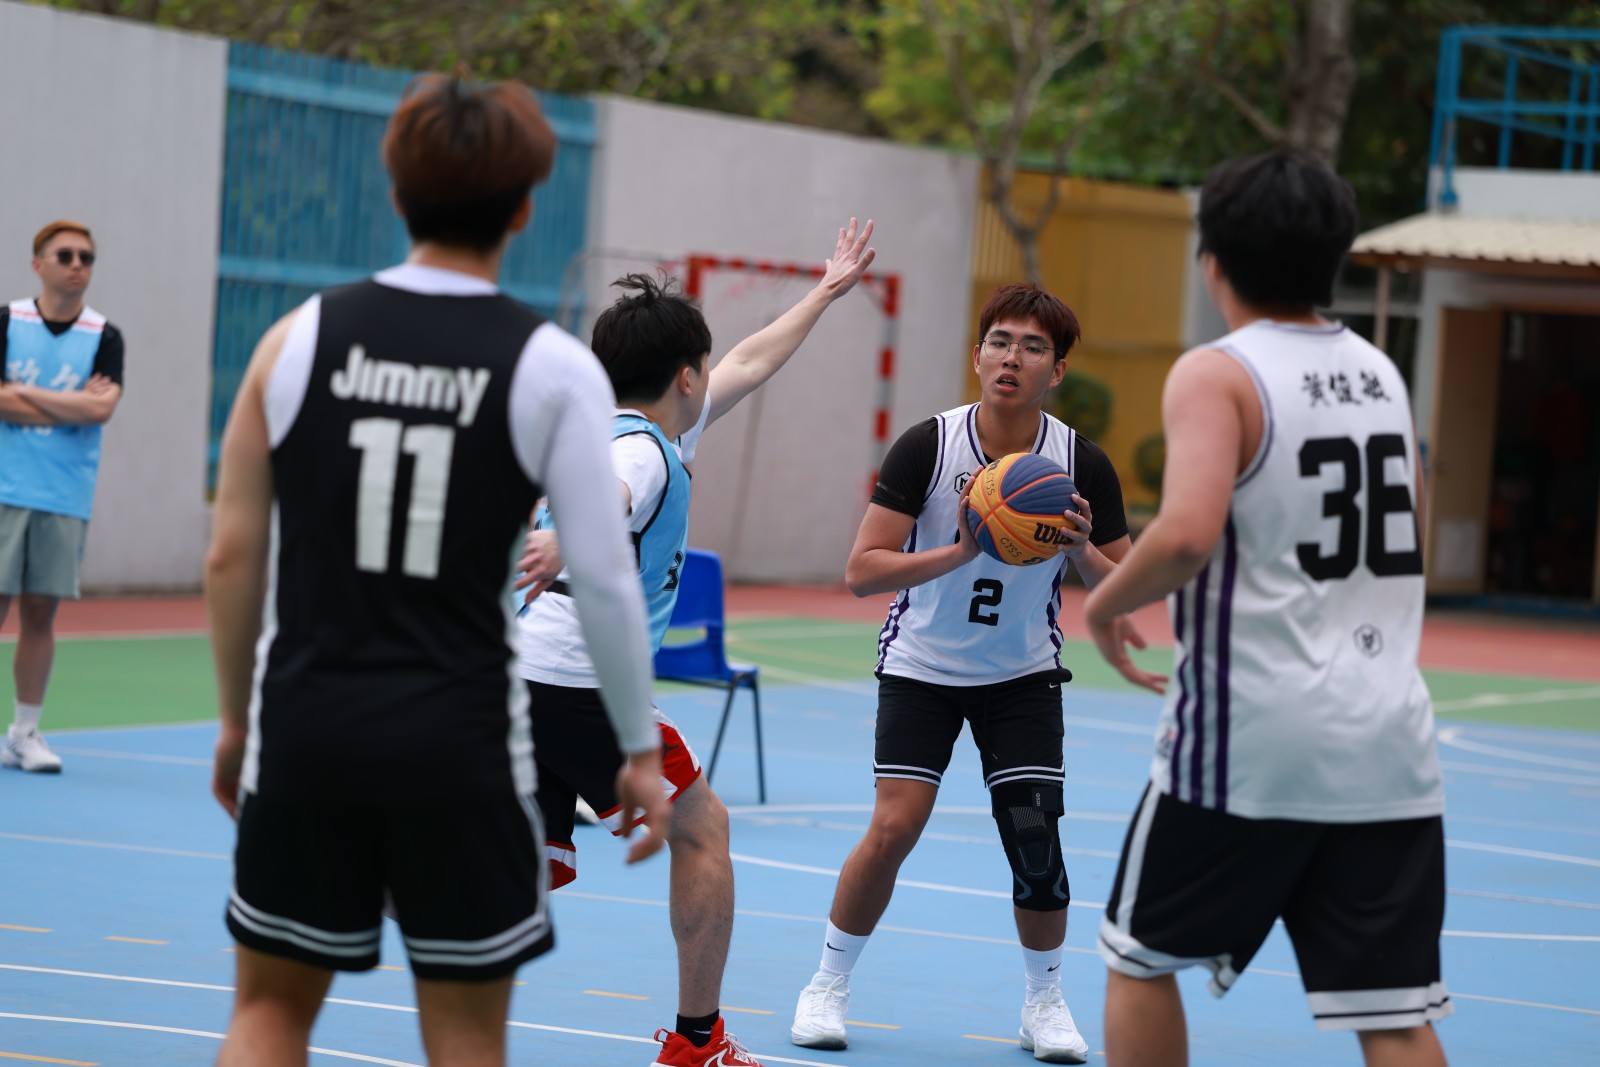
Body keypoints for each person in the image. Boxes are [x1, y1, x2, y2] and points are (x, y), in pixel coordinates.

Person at [204, 73, 671, 1067]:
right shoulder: (553, 367)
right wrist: (636, 744)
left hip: (310, 725)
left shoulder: (297, 339)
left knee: (269, 1013)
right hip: (461, 745)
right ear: (523, 208)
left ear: (394, 190)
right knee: (464, 1034)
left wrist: (239, 722)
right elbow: (602, 574)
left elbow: (231, 553)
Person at [1082, 151, 1449, 1067]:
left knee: (1138, 958)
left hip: (1249, 741)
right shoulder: (1380, 371)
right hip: (1388, 738)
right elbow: (1414, 532)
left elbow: (1185, 535)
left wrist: (1101, 602)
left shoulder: (1219, 372)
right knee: (1392, 1013)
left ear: (1213, 261)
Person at [515, 218, 876, 1067]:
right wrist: (572, 534)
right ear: (684, 375)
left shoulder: (616, 428)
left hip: (524, 667)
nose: (717, 374)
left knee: (520, 870)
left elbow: (751, 359)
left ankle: (383, 871)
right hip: (579, 680)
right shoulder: (644, 452)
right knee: (703, 826)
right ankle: (698, 1041)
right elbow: (612, 495)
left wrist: (824, 292)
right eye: (704, 367)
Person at [789, 283, 1136, 1064]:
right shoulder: (929, 445)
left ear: (1057, 369)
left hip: (1022, 672)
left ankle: (1044, 1000)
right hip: (923, 664)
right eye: (1000, 342)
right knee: (894, 827)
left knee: (1035, 836)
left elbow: (1126, 586)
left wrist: (1081, 547)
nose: (1012, 357)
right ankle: (827, 982)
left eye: (1033, 347)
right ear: (978, 355)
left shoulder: (1079, 463)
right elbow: (862, 571)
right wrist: (961, 548)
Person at [0, 220, 124, 774]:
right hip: (5, 487)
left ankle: (23, 733)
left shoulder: (105, 337)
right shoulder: (8, 320)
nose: (78, 265)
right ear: (38, 265)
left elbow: (101, 409)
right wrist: (68, 403)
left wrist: (20, 391)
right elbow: (81, 406)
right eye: (66, 255)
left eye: (86, 258)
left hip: (63, 494)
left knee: (39, 613)